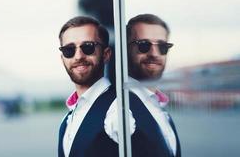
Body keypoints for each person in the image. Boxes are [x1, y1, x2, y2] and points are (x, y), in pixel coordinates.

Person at [57, 16, 119, 157]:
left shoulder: (119, 111)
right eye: (69, 50)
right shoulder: (67, 119)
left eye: (88, 47)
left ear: (106, 54)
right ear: (63, 59)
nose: (78, 56)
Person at [126, 13, 181, 157]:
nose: (154, 53)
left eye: (162, 47)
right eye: (144, 45)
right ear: (125, 50)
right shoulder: (118, 108)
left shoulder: (160, 109)